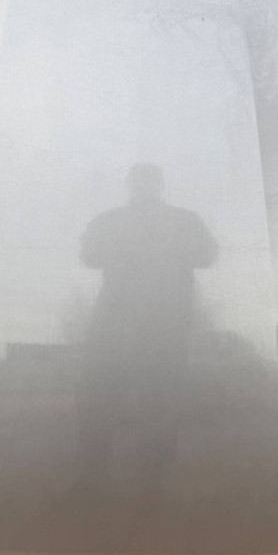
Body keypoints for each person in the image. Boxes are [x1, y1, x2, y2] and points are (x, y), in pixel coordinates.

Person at [76, 164, 217, 483]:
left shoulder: (179, 220)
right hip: (122, 323)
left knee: (156, 399)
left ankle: (150, 481)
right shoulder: (117, 220)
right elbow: (88, 256)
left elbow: (208, 256)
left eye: (149, 181)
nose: (144, 186)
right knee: (101, 395)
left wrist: (157, 243)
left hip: (157, 324)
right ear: (130, 184)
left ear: (159, 185)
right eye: (139, 181)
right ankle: (95, 476)